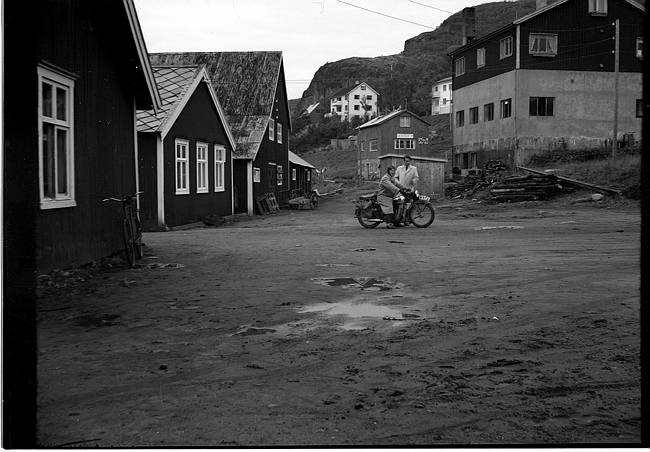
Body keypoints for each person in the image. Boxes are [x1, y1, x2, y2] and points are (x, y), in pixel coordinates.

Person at [395, 155, 419, 224]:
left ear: (410, 161)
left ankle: (407, 220)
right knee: (401, 205)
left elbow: (416, 177)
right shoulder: (399, 168)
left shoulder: (414, 168)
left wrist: (414, 181)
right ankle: (400, 219)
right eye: (406, 161)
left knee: (408, 205)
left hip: (409, 189)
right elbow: (396, 177)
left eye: (408, 161)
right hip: (401, 189)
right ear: (404, 161)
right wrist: (398, 183)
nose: (407, 162)